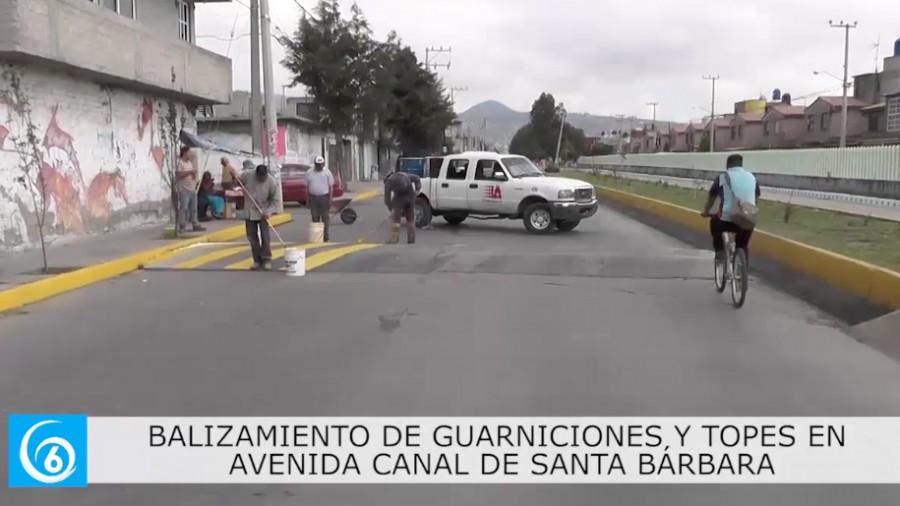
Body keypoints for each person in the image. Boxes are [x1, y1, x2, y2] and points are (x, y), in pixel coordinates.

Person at [701, 154, 761, 261]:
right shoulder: (752, 177)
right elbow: (755, 198)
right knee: (742, 245)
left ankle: (720, 251)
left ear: (727, 165)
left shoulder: (722, 178)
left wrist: (706, 211)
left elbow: (711, 197)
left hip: (727, 220)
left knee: (714, 222)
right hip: (747, 219)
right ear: (741, 165)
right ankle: (742, 271)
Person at [230, 163, 282, 271]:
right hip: (249, 210)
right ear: (256, 174)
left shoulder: (272, 182)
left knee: (265, 237)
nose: (261, 179)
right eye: (259, 177)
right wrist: (234, 176)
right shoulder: (248, 175)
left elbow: (275, 201)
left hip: (263, 212)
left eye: (263, 177)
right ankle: (257, 260)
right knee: (252, 237)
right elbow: (238, 180)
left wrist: (269, 211)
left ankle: (266, 259)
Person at [383, 166, 422, 244]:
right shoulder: (405, 175)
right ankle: (411, 240)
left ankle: (394, 239)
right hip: (410, 197)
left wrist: (391, 208)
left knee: (396, 220)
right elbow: (417, 178)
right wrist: (417, 190)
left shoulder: (389, 181)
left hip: (399, 200)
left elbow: (387, 199)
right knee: (410, 220)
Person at [175, 146, 206, 232]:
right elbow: (179, 175)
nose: (190, 154)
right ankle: (182, 226)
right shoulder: (180, 163)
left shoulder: (190, 163)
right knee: (184, 208)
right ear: (184, 153)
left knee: (193, 208)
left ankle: (195, 224)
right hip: (184, 189)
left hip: (192, 188)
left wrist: (193, 174)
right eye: (189, 153)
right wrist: (190, 172)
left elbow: (192, 176)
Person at [305, 156, 334, 242]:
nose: (319, 166)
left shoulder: (327, 173)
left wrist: (330, 200)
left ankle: (326, 237)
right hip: (313, 198)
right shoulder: (309, 173)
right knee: (315, 218)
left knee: (325, 218)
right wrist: (307, 200)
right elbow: (306, 187)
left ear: (323, 164)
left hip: (324, 197)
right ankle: (317, 237)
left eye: (321, 165)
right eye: (318, 165)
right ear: (315, 164)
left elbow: (331, 187)